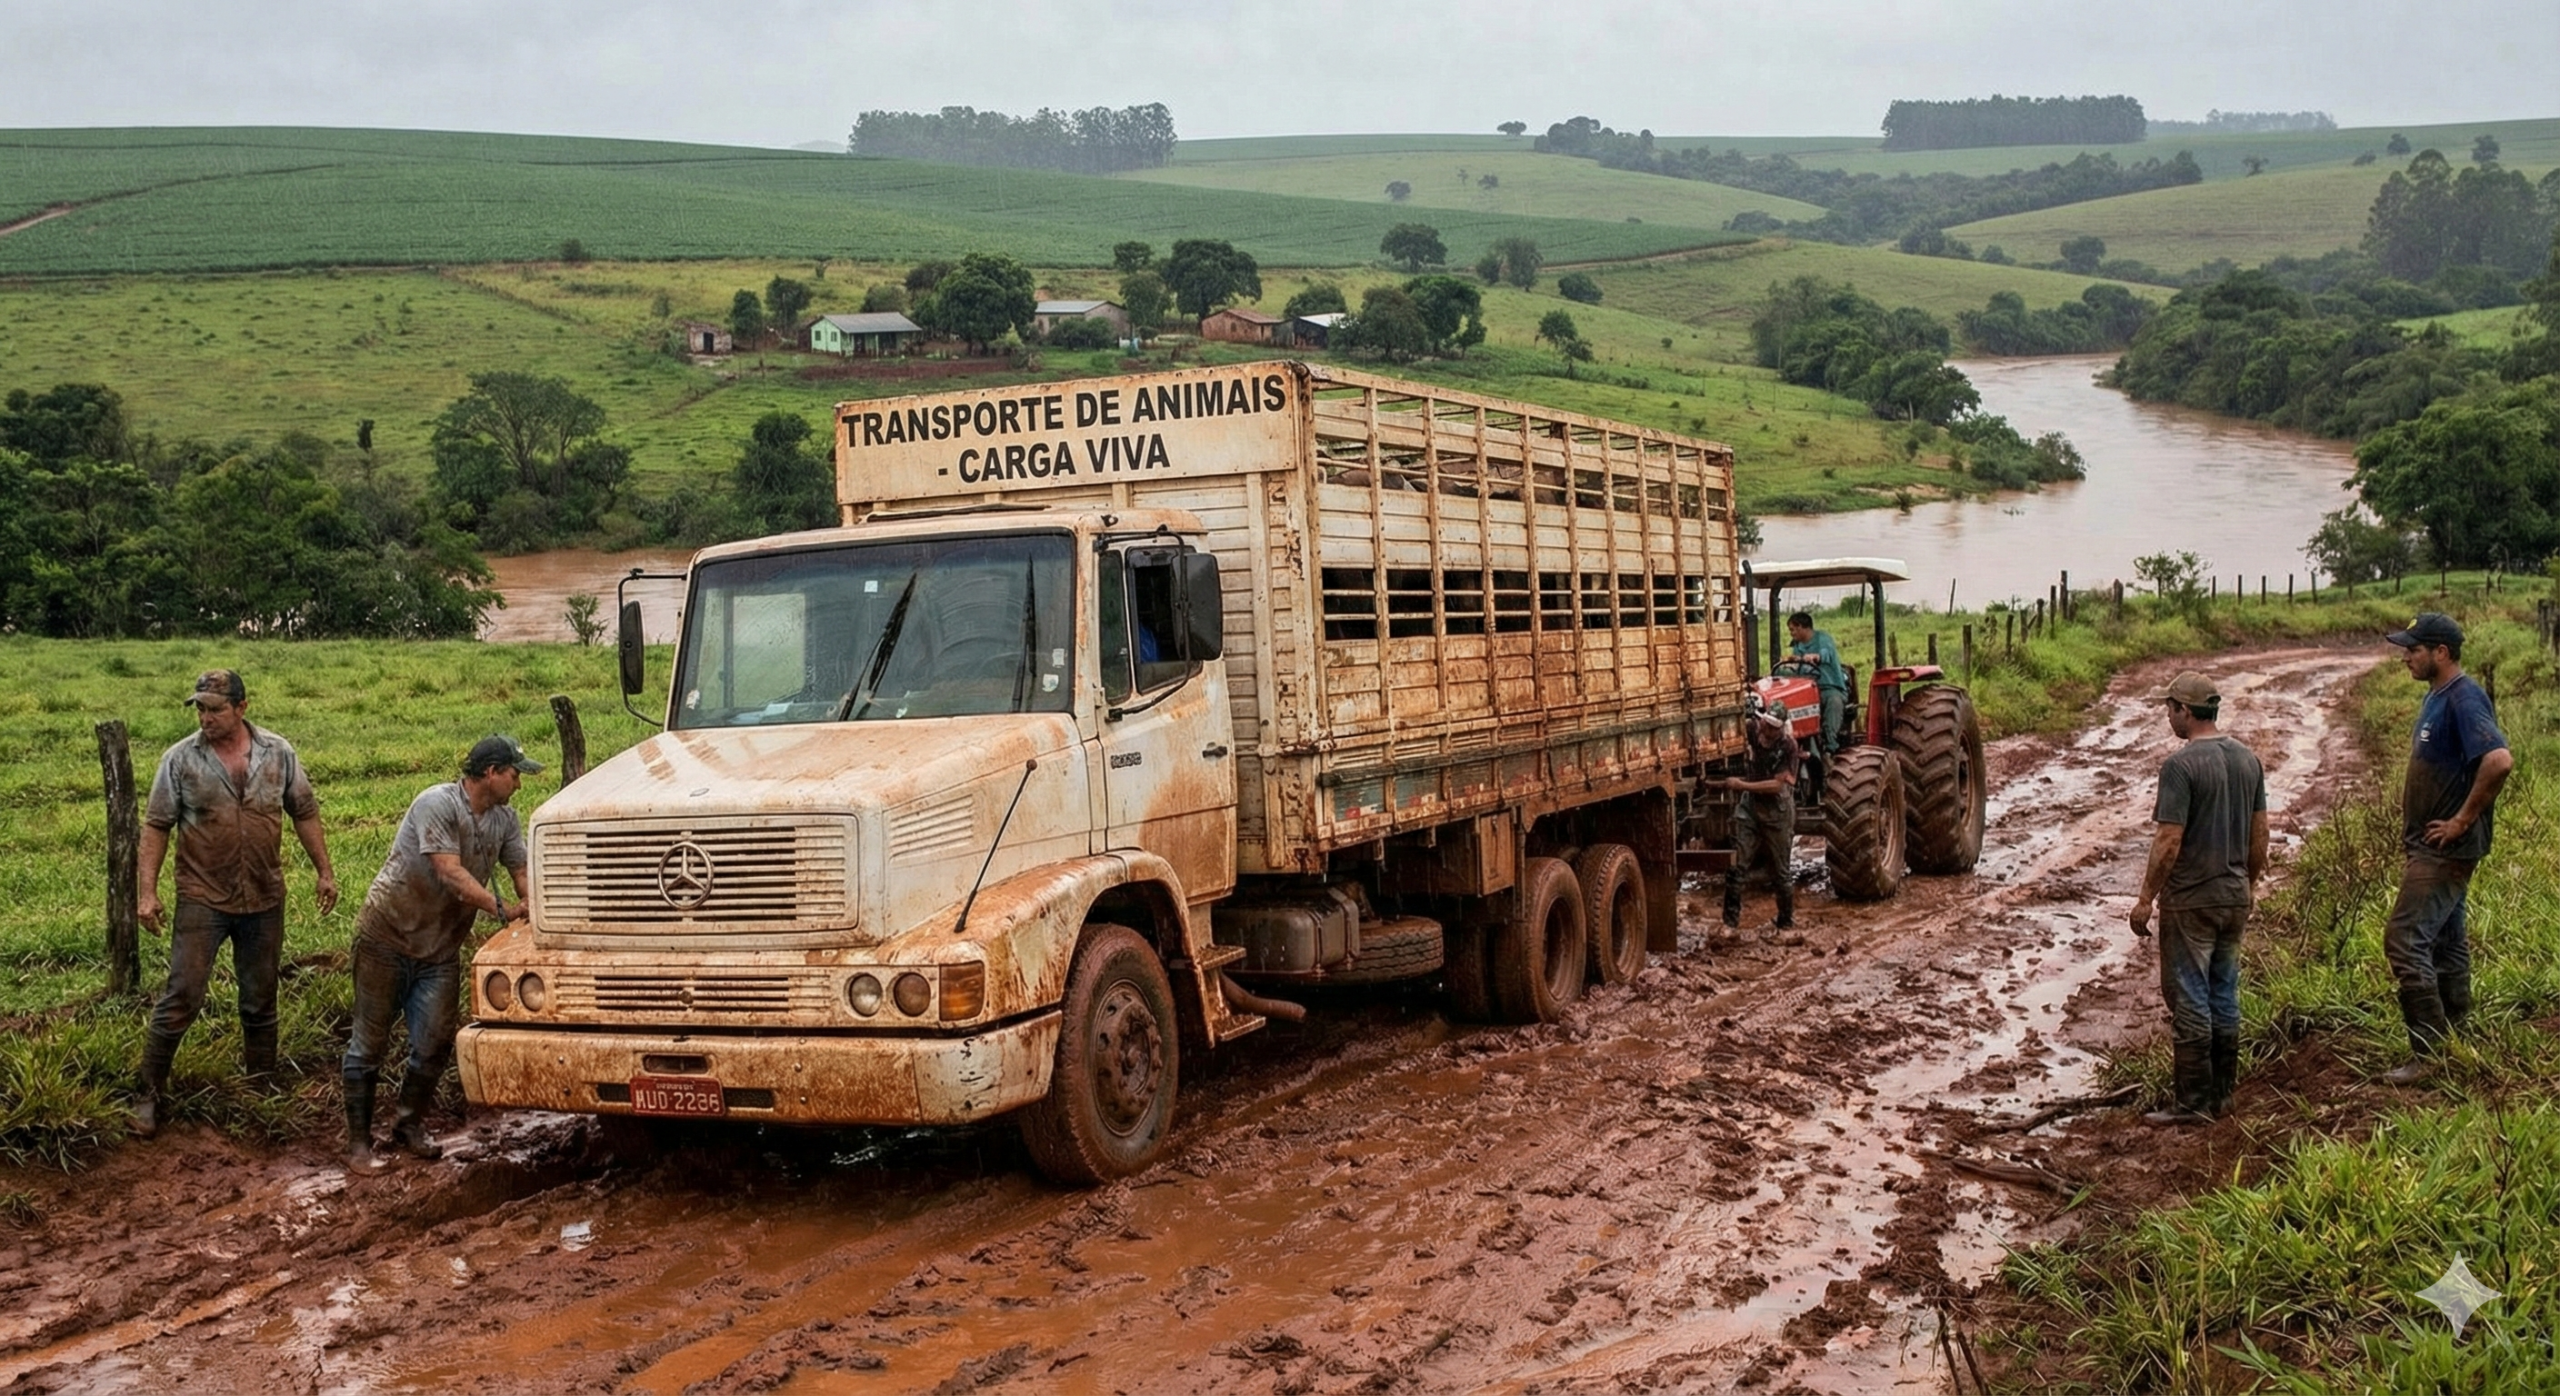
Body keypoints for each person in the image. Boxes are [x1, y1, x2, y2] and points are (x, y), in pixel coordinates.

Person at [130, 670, 338, 1137]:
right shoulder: (180, 760)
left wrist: (324, 872)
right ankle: (147, 1094)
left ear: (242, 708)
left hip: (264, 895)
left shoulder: (278, 753)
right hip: (203, 896)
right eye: (200, 708)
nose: (205, 717)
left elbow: (303, 810)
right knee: (183, 995)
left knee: (260, 1000)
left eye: (215, 709)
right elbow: (156, 825)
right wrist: (147, 893)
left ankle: (261, 1088)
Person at [342, 735, 539, 1168]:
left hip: (439, 948)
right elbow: (449, 873)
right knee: (368, 1043)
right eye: (513, 774)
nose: (518, 785)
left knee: (432, 1043)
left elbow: (521, 870)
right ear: (490, 773)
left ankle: (408, 1125)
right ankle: (358, 1145)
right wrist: (501, 908)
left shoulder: (504, 819)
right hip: (387, 935)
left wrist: (537, 912)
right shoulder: (437, 803)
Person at [2378, 613, 2512, 1085]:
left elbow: (2498, 760)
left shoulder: (2464, 697)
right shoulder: (2437, 697)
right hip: (2431, 847)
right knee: (2445, 939)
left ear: (2441, 652)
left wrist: (2460, 820)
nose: (2405, 657)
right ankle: (2457, 1036)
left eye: (2413, 649)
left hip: (2445, 850)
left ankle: (2428, 1055)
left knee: (2404, 939)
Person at [2128, 672, 2267, 1125]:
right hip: (2233, 896)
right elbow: (2259, 834)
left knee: (2189, 996)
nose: (2168, 716)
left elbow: (2169, 840)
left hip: (2191, 900)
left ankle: (2191, 1102)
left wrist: (2146, 897)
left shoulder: (2181, 767)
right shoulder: (2248, 760)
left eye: (2170, 708)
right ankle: (2223, 1096)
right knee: (2224, 993)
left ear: (2185, 712)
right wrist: (2248, 884)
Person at [1722, 694, 1802, 931]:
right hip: (1751, 808)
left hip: (1776, 811)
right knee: (1737, 867)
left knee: (1781, 873)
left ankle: (1785, 923)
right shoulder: (1753, 730)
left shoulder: (1788, 747)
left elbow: (1777, 785)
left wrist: (1741, 785)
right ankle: (1729, 923)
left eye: (1773, 727)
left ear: (1781, 729)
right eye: (1766, 723)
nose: (1767, 729)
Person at [1783, 613, 1847, 754]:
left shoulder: (1823, 639)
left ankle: (1830, 746)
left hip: (1827, 687)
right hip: (1806, 689)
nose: (1791, 633)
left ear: (1801, 627)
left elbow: (1826, 653)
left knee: (1833, 701)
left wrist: (1816, 656)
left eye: (1792, 629)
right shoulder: (1798, 646)